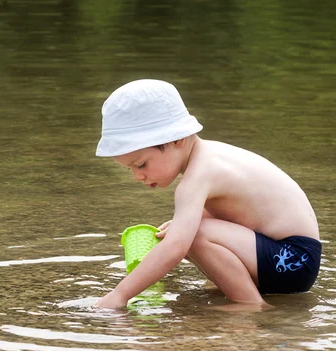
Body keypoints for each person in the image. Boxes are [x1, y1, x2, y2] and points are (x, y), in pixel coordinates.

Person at [95, 79, 321, 309]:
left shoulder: (199, 176)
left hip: (293, 260)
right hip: (290, 259)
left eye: (142, 164)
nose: (138, 176)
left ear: (176, 139)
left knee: (190, 234)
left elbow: (176, 248)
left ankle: (251, 305)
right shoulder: (212, 157)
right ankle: (225, 290)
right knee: (186, 228)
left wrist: (120, 295)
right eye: (130, 168)